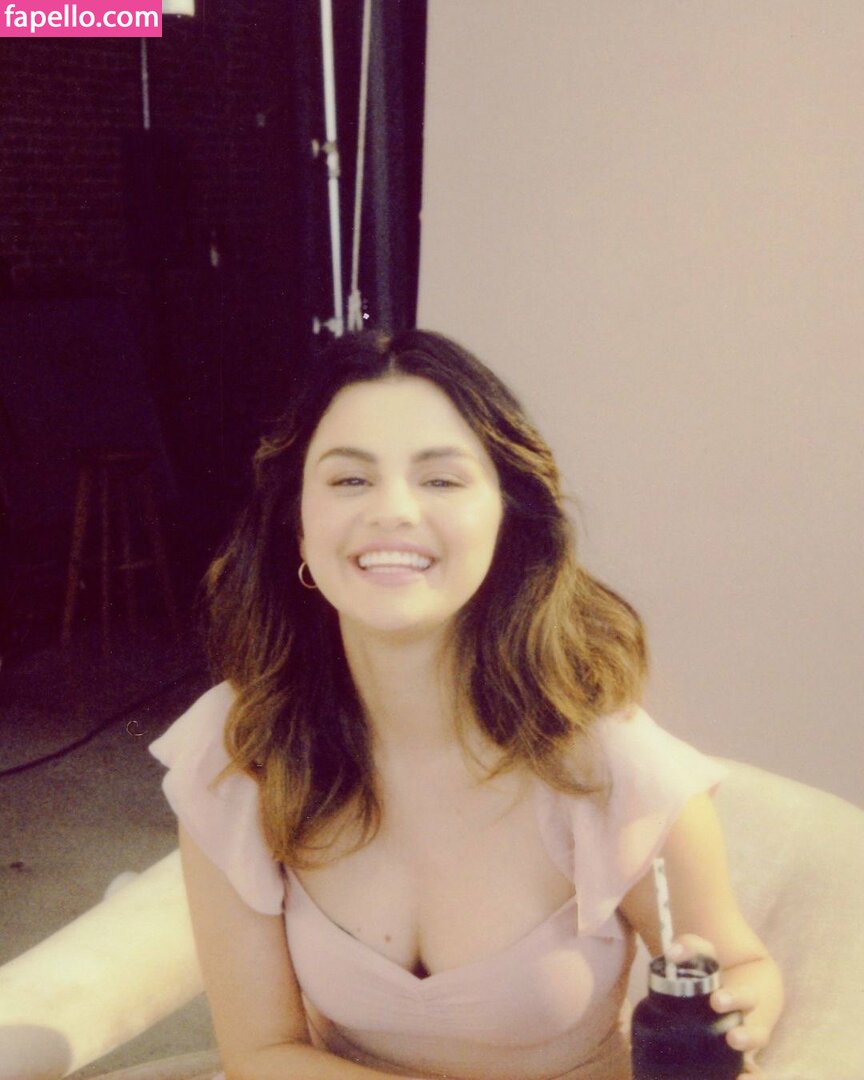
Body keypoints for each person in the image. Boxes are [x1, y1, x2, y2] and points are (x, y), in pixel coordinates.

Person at [150, 329, 783, 1080]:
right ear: (298, 521)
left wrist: (738, 1004)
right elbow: (259, 1052)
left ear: (507, 517)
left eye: (442, 480)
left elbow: (741, 966)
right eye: (349, 479)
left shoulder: (608, 763)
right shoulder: (239, 750)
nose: (392, 510)